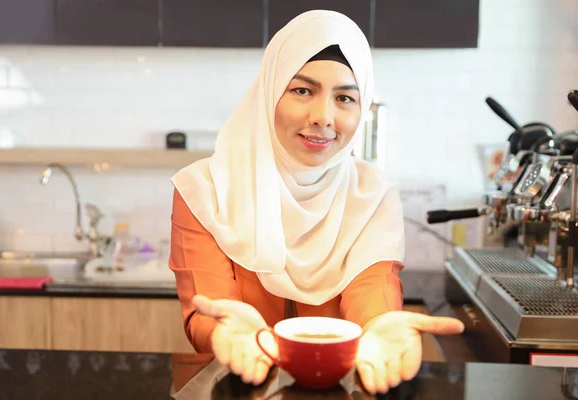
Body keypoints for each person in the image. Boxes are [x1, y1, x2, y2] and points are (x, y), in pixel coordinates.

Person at [169, 9, 464, 395]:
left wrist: (377, 327)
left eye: (344, 97)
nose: (324, 117)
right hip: (238, 385)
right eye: (302, 90)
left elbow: (371, 287)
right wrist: (224, 330)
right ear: (269, 93)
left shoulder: (371, 193)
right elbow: (207, 307)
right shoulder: (205, 188)